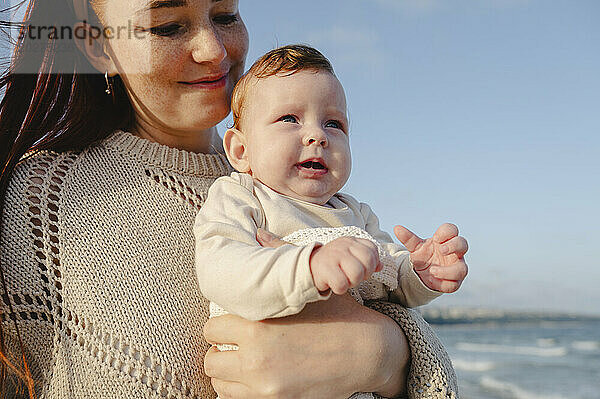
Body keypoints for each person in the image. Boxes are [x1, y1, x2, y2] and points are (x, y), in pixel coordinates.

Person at [0, 1, 466, 398]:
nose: (215, 51)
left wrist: (383, 356)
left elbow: (387, 293)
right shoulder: (39, 206)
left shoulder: (298, 184)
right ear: (97, 45)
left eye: (225, 15)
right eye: (167, 26)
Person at [194, 45, 469, 399]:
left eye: (333, 123)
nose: (317, 136)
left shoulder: (356, 213)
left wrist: (417, 273)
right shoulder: (242, 197)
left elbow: (386, 285)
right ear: (241, 151)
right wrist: (308, 264)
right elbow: (221, 270)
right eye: (290, 119)